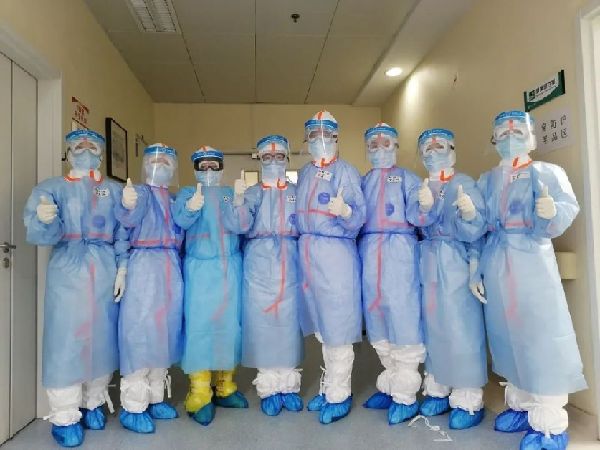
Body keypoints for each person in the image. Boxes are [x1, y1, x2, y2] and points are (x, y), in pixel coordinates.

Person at [478, 111, 586, 450]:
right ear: (494, 139)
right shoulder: (487, 180)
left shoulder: (547, 173)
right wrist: (475, 268)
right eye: (502, 133)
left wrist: (553, 213)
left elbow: (566, 208)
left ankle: (550, 425)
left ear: (531, 137)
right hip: (496, 260)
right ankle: (522, 406)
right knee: (506, 336)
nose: (510, 138)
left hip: (532, 260)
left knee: (540, 338)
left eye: (517, 131)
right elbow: (478, 225)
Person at [23, 129, 128, 447]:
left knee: (102, 338)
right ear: (68, 152)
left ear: (101, 153)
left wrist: (123, 267)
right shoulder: (51, 188)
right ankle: (65, 414)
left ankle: (93, 401)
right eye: (78, 146)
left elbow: (122, 232)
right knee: (66, 341)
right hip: (68, 271)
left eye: (92, 146)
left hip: (105, 268)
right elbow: (41, 234)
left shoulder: (114, 190)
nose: (85, 150)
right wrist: (45, 219)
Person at [223, 135, 304, 417]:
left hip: (290, 261)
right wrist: (238, 202)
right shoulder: (253, 193)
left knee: (288, 323)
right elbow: (239, 225)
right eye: (267, 157)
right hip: (258, 262)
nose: (273, 161)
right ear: (259, 159)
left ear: (287, 158)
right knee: (263, 323)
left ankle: (288, 385)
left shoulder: (297, 192)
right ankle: (269, 387)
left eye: (279, 156)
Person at [412, 128, 488, 430]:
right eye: (426, 149)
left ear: (452, 150)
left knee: (462, 328)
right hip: (429, 259)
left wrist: (470, 216)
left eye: (439, 147)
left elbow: (478, 230)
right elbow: (414, 221)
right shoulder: (422, 186)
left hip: (456, 260)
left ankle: (468, 398)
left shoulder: (464, 183)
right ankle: (437, 388)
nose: (432, 153)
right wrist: (424, 208)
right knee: (434, 327)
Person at [296, 111, 366, 424]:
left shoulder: (346, 172)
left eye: (326, 134)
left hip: (336, 254)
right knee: (324, 329)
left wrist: (346, 211)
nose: (319, 139)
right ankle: (328, 389)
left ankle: (339, 395)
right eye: (313, 134)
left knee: (338, 328)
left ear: (337, 137)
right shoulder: (305, 173)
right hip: (309, 255)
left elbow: (359, 217)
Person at [173, 146, 247, 426]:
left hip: (231, 268)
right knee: (200, 328)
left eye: (213, 165)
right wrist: (191, 208)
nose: (208, 170)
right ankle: (200, 393)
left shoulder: (229, 193)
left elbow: (242, 226)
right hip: (200, 270)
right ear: (194, 169)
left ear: (221, 167)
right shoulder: (186, 194)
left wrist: (238, 201)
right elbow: (180, 221)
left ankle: (226, 387)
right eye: (202, 165)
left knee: (230, 327)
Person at [114, 143, 184, 433]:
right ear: (144, 165)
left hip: (170, 267)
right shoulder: (139, 194)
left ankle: (155, 398)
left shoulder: (175, 200)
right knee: (140, 334)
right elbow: (123, 229)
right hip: (143, 267)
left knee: (163, 333)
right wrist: (122, 267)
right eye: (155, 160)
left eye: (167, 161)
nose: (161, 165)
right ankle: (134, 406)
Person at [359, 123, 426, 425]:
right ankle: (390, 380)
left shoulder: (409, 179)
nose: (379, 148)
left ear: (396, 146)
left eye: (385, 142)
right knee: (376, 313)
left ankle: (405, 394)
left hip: (400, 251)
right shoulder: (363, 181)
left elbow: (421, 215)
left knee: (402, 313)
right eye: (373, 144)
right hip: (369, 251)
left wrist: (424, 205)